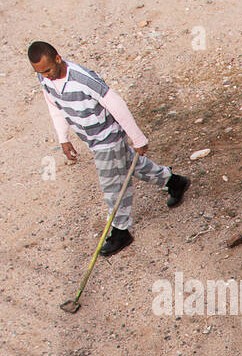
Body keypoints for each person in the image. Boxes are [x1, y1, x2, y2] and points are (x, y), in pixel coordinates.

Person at [30, 41, 189, 257]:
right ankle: (175, 181)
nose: (45, 76)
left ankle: (120, 232)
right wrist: (63, 138)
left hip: (107, 139)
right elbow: (54, 105)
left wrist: (138, 137)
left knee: (113, 186)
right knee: (132, 165)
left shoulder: (83, 78)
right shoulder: (45, 78)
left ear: (58, 58)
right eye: (40, 72)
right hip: (91, 139)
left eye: (47, 70)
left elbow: (116, 104)